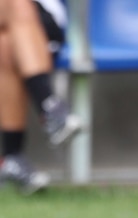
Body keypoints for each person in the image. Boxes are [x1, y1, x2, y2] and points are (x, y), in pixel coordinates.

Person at [0, 0, 81, 194]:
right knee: (4, 46)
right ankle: (49, 107)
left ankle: (12, 154)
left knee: (15, 4)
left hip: (39, 18)